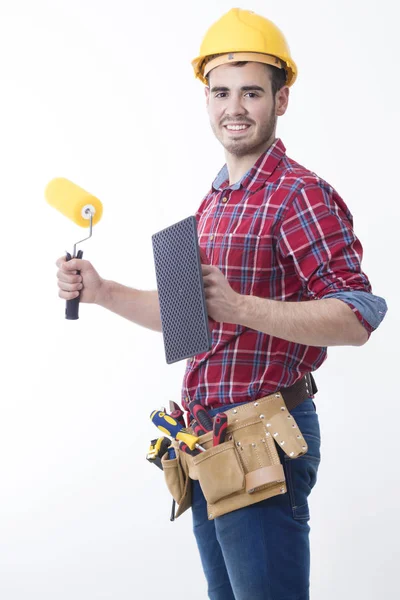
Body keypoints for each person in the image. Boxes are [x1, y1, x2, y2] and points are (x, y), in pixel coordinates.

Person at [56, 8, 387, 600]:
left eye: (252, 93)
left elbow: (358, 315)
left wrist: (243, 308)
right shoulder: (216, 200)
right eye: (221, 92)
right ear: (206, 100)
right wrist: (102, 291)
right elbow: (192, 318)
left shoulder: (297, 193)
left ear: (281, 101)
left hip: (264, 438)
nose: (234, 107)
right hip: (207, 441)